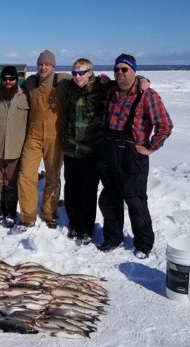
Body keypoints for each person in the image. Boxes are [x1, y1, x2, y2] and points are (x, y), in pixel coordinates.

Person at [63, 58, 150, 246]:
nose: (77, 76)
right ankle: (73, 224)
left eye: (81, 72)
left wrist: (143, 78)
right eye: (74, 73)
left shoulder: (102, 87)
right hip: (71, 149)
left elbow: (126, 81)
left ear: (90, 72)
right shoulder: (68, 86)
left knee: (89, 191)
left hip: (93, 150)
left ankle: (86, 228)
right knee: (71, 189)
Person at [98, 53, 173, 259]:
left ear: (134, 71)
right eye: (116, 69)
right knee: (109, 198)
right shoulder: (111, 89)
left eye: (124, 69)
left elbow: (165, 125)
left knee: (135, 201)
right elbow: (91, 79)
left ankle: (143, 244)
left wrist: (149, 147)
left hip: (133, 156)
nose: (119, 73)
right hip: (110, 153)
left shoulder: (147, 95)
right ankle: (113, 238)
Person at [17, 50, 71, 231]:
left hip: (55, 137)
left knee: (53, 176)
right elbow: (13, 92)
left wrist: (141, 78)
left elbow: (87, 81)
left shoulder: (63, 81)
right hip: (33, 137)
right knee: (26, 175)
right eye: (40, 64)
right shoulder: (31, 82)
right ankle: (27, 216)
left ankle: (49, 212)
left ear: (53, 66)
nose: (43, 67)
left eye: (47, 64)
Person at [0, 66, 29, 227]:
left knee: (11, 182)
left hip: (15, 149)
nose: (8, 82)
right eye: (5, 79)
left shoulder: (25, 96)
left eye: (11, 79)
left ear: (16, 80)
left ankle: (10, 211)